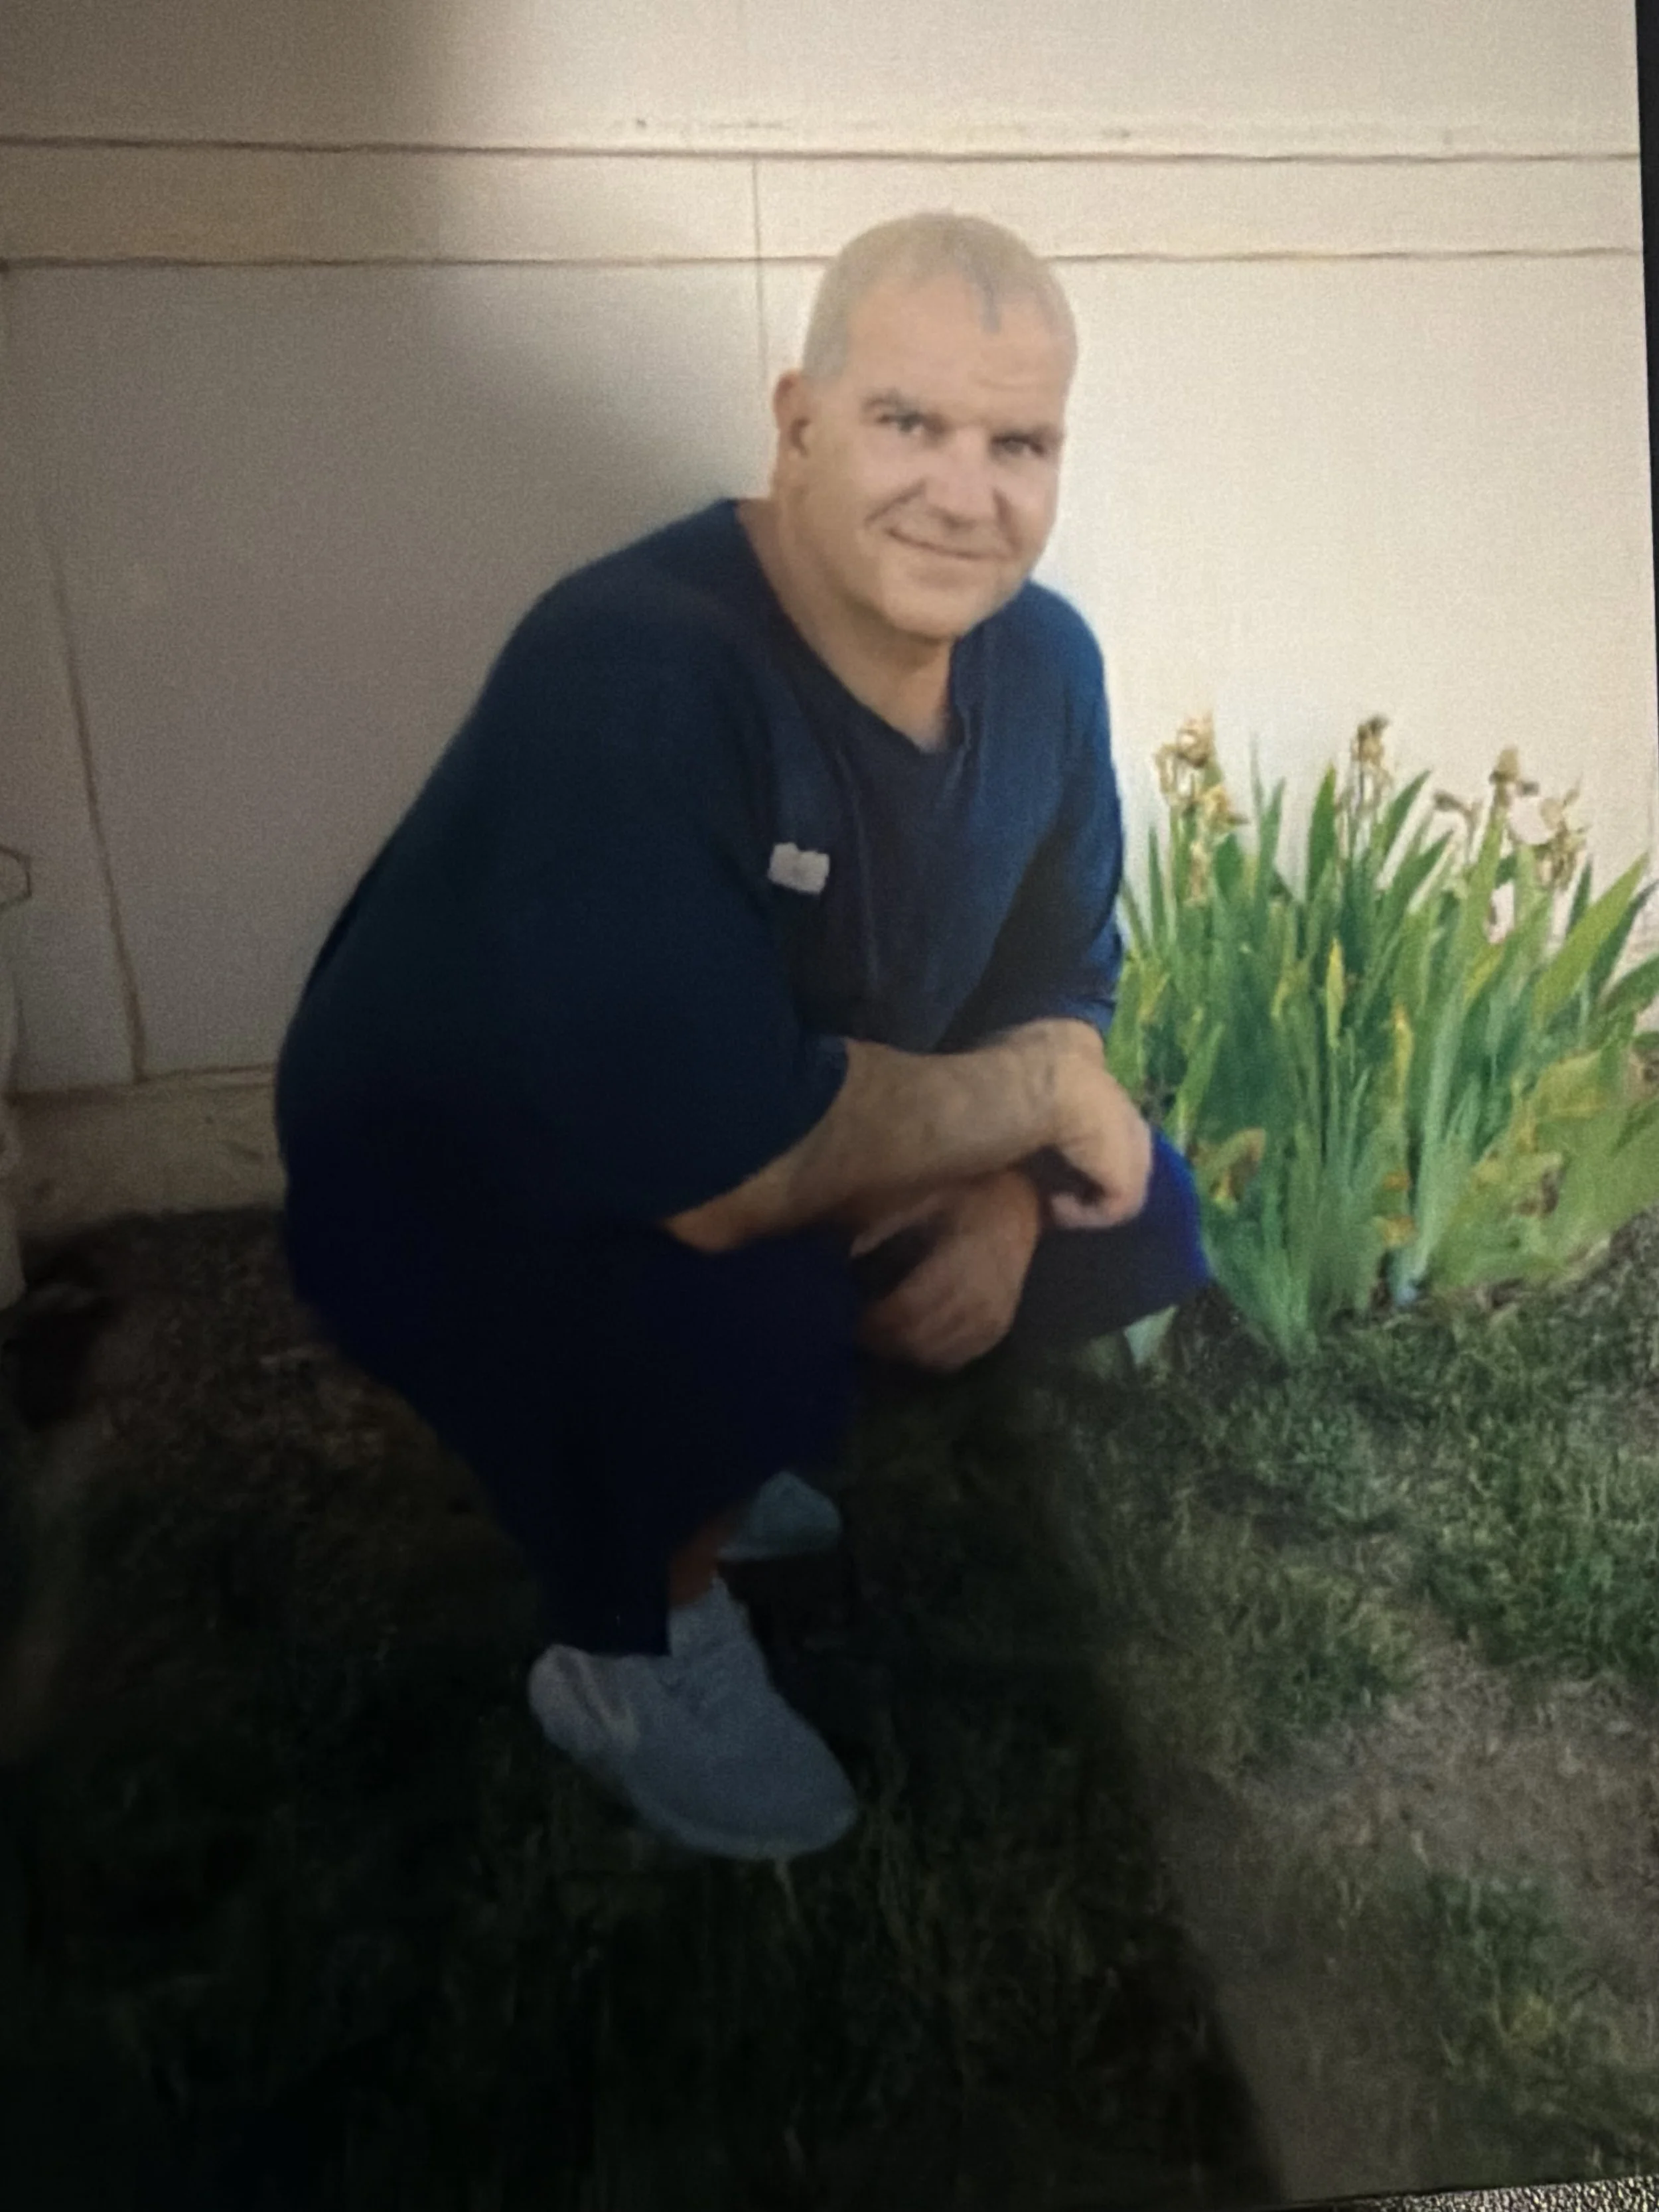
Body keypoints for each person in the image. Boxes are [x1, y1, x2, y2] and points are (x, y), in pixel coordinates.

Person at [273, 210, 1210, 1864]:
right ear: (797, 423)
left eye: (1016, 444)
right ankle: (628, 1639)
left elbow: (1060, 974)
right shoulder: (632, 665)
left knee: (1130, 1205)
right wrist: (1040, 1090)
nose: (964, 494)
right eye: (906, 422)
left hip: (769, 1126)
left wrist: (1005, 1193)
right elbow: (719, 1169)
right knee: (748, 1304)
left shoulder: (1045, 665)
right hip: (463, 1194)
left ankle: (713, 1440)